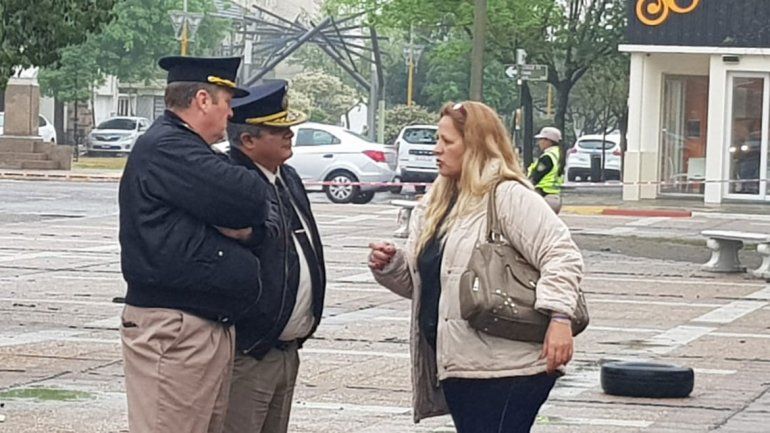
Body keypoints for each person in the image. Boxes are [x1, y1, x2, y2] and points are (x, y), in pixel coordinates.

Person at [367, 101, 583, 433]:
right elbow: (432, 286)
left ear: (476, 145)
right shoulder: (437, 203)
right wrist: (391, 265)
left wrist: (559, 318)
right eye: (437, 140)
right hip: (460, 364)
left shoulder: (507, 195)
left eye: (447, 141)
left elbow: (561, 254)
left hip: (510, 367)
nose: (437, 149)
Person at [119, 56, 269, 433]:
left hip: (202, 325)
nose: (231, 114)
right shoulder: (168, 147)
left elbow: (256, 221)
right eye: (227, 102)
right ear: (203, 100)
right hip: (176, 330)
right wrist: (245, 224)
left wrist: (248, 232)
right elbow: (251, 198)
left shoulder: (189, 149)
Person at [222, 80, 326, 433]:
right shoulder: (233, 180)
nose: (289, 134)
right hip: (251, 351)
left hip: (285, 348)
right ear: (248, 140)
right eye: (278, 130)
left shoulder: (287, 177)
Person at [528, 126, 565, 214]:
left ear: (549, 141)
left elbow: (536, 176)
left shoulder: (547, 157)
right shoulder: (559, 154)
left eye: (541, 139)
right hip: (555, 196)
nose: (539, 142)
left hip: (543, 195)